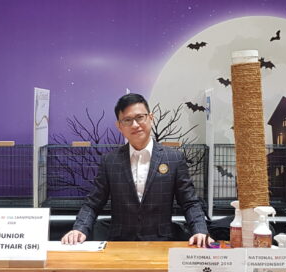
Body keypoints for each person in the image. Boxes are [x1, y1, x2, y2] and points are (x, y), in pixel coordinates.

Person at [62, 93, 210, 246]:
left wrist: (200, 231)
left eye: (140, 117)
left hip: (161, 244)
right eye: (127, 120)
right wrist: (79, 229)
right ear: (119, 126)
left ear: (151, 118)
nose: (135, 125)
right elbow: (93, 203)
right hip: (120, 245)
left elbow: (189, 202)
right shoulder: (110, 161)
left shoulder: (174, 158)